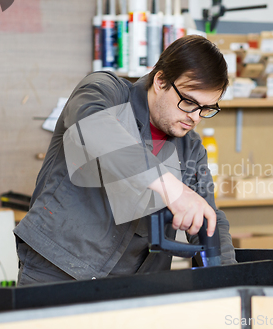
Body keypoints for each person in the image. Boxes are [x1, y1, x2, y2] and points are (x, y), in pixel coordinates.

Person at [13, 35, 236, 286]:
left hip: (137, 283)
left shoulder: (191, 147)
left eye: (206, 109)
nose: (195, 117)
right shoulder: (104, 92)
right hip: (59, 268)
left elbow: (206, 218)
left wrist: (228, 280)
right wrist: (172, 188)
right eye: (188, 102)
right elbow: (96, 132)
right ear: (161, 81)